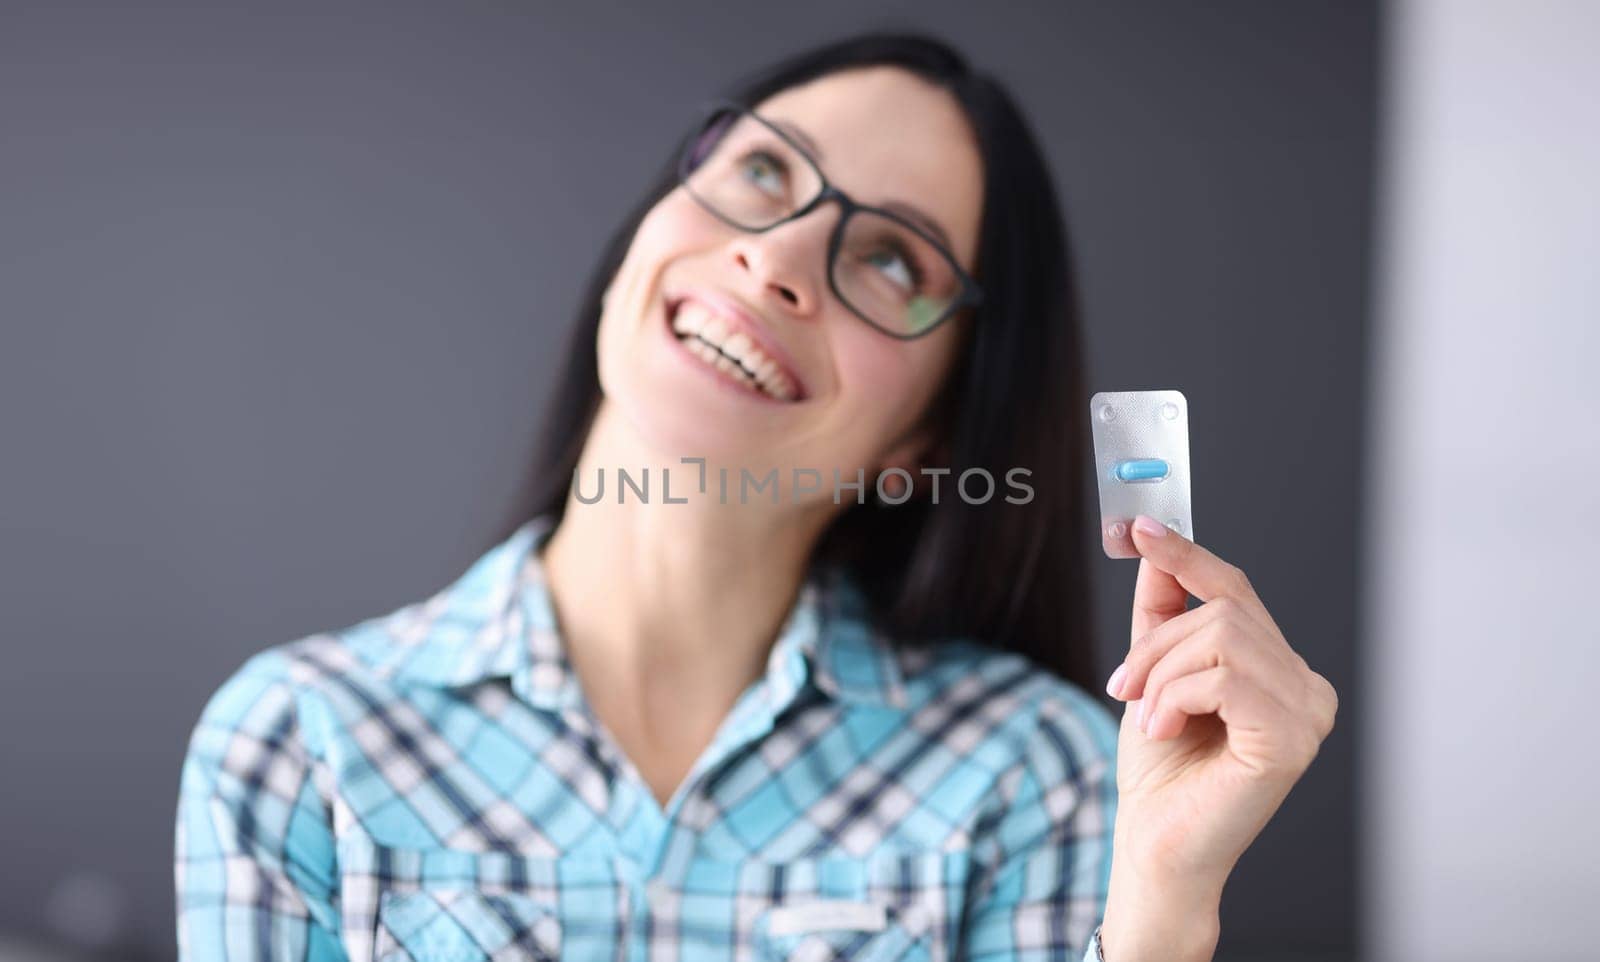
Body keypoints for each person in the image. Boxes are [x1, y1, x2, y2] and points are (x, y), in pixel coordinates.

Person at [174, 31, 1337, 962]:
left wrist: (1159, 908)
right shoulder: (300, 742)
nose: (776, 258)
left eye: (891, 259)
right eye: (764, 171)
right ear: (645, 237)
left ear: (929, 437)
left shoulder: (1042, 772)